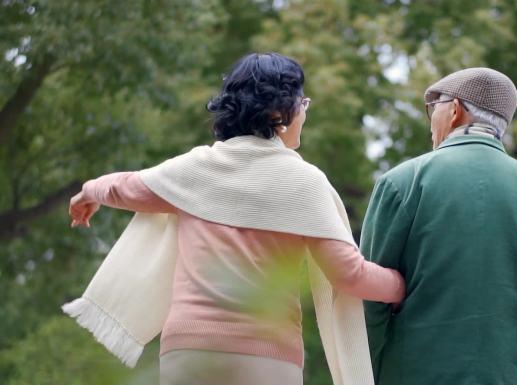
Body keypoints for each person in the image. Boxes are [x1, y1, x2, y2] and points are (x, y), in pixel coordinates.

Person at [68, 52, 404, 385]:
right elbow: (349, 275)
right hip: (267, 357)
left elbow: (128, 187)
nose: (305, 112)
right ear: (280, 112)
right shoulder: (304, 182)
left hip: (188, 353)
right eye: (303, 104)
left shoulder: (196, 169)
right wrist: (403, 285)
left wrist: (88, 192)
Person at [361, 67, 517, 385]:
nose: (431, 121)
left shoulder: (401, 184)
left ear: (455, 110)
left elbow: (369, 303)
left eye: (433, 108)